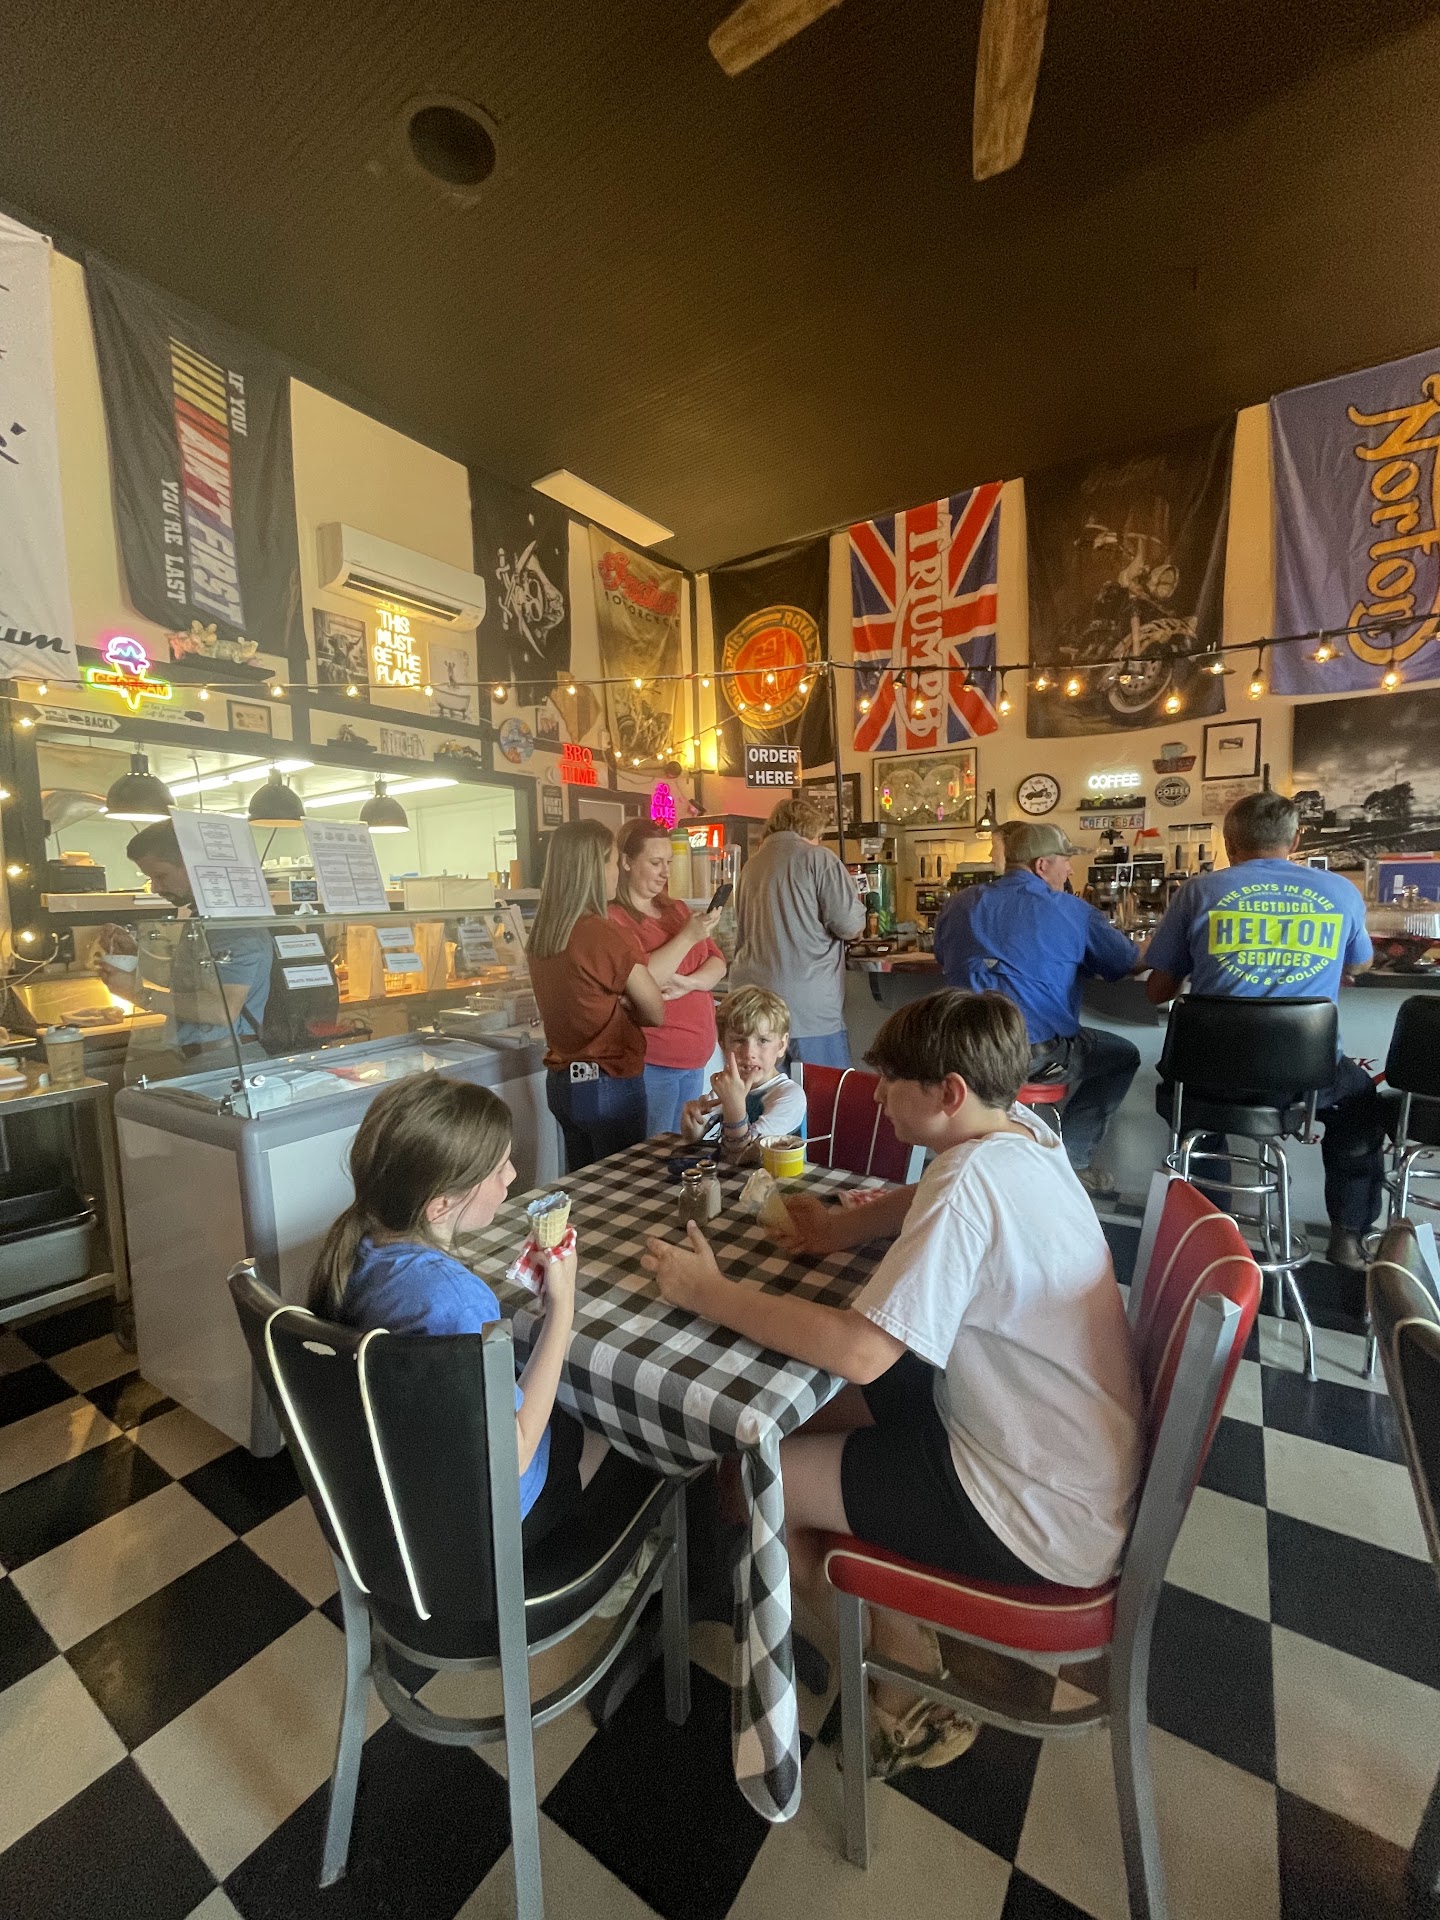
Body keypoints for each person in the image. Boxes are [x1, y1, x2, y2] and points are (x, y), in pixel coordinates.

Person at [644, 989, 1143, 1777]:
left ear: (948, 1093)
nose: (876, 1096)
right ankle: (874, 1613)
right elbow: (927, 1195)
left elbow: (859, 1351)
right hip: (1058, 1451)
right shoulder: (1021, 1133)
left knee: (758, 1476)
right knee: (787, 1423)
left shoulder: (970, 1184)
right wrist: (841, 1226)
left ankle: (902, 1686)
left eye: (891, 1083)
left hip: (1032, 1506)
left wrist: (710, 1294)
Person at [308, 1073, 608, 1545]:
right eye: (499, 1168)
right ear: (440, 1205)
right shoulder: (457, 1301)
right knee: (615, 1431)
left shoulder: (357, 1252)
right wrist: (562, 1309)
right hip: (488, 1524)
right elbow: (515, 1455)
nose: (512, 1176)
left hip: (406, 1495)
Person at [1143, 789, 1386, 1271]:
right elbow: (1361, 963)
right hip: (1307, 1083)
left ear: (1228, 843)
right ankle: (1349, 1234)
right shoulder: (1340, 891)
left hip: (1207, 1077)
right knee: (1361, 1106)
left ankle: (1214, 1236)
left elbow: (1158, 991)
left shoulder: (1198, 891)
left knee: (1192, 1113)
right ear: (1295, 842)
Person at [933, 819, 1141, 1196]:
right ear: (1042, 865)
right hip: (1033, 1057)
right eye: (1065, 860)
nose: (1070, 870)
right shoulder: (1072, 911)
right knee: (1122, 1056)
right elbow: (1122, 963)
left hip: (958, 1053)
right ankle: (1073, 1163)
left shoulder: (959, 903)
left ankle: (971, 1171)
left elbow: (944, 957)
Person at [528, 820, 718, 1171]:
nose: (616, 871)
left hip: (564, 1079)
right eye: (613, 861)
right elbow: (654, 1010)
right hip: (608, 1078)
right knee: (633, 1178)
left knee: (583, 1183)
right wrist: (631, 1004)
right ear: (595, 868)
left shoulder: (544, 932)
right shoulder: (601, 931)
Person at [95, 819, 273, 1064]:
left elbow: (222, 1010)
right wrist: (136, 955)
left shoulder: (231, 927)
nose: (155, 888)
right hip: (209, 1057)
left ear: (194, 866)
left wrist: (138, 994)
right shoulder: (205, 919)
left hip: (226, 1060)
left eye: (161, 876)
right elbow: (187, 983)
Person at [608, 817, 727, 1136]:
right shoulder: (615, 919)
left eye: (669, 862)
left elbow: (718, 963)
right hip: (654, 1060)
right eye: (655, 862)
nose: (665, 872)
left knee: (684, 1148)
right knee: (654, 1151)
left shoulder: (677, 909)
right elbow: (642, 981)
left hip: (695, 1058)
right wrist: (688, 937)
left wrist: (689, 984)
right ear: (627, 862)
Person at [730, 793, 865, 1068]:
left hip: (756, 1005)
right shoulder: (818, 858)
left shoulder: (750, 866)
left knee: (765, 1090)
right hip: (809, 1009)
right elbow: (849, 925)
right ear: (811, 829)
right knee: (822, 1090)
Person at [679, 985, 807, 1164]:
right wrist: (692, 1122)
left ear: (781, 1045)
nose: (749, 1053)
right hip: (731, 1176)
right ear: (723, 1044)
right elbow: (695, 1135)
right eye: (739, 1041)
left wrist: (734, 1104)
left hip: (778, 1177)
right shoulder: (729, 1084)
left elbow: (744, 1154)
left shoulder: (789, 1096)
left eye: (763, 1040)